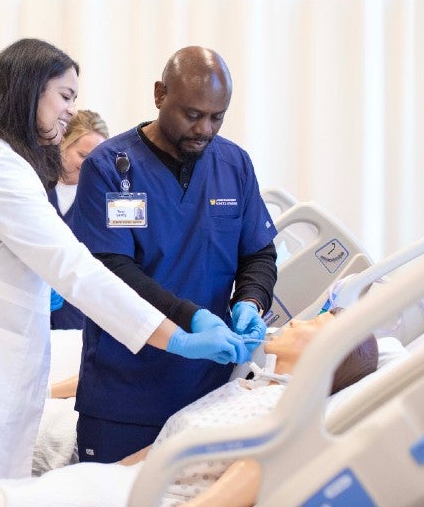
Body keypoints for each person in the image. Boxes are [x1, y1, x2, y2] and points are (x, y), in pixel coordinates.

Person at [0, 38, 252, 487]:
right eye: (65, 96)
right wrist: (177, 337)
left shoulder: (3, 162)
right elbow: (78, 270)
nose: (71, 111)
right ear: (28, 91)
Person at [68, 45, 279, 463]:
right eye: (192, 114)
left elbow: (259, 253)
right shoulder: (110, 167)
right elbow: (111, 269)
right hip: (124, 396)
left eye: (217, 117)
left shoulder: (233, 165)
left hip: (212, 394)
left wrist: (251, 302)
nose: (205, 128)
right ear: (160, 94)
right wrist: (191, 318)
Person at [120, 308, 378, 506]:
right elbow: (159, 449)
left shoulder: (286, 418)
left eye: (313, 323)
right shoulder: (247, 387)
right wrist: (104, 474)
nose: (296, 321)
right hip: (124, 486)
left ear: (330, 353)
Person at [48, 109, 110, 330]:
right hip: (30, 307)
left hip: (76, 318)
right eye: (83, 156)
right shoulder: (35, 186)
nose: (89, 166)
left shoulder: (101, 201)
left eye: (96, 160)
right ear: (63, 143)